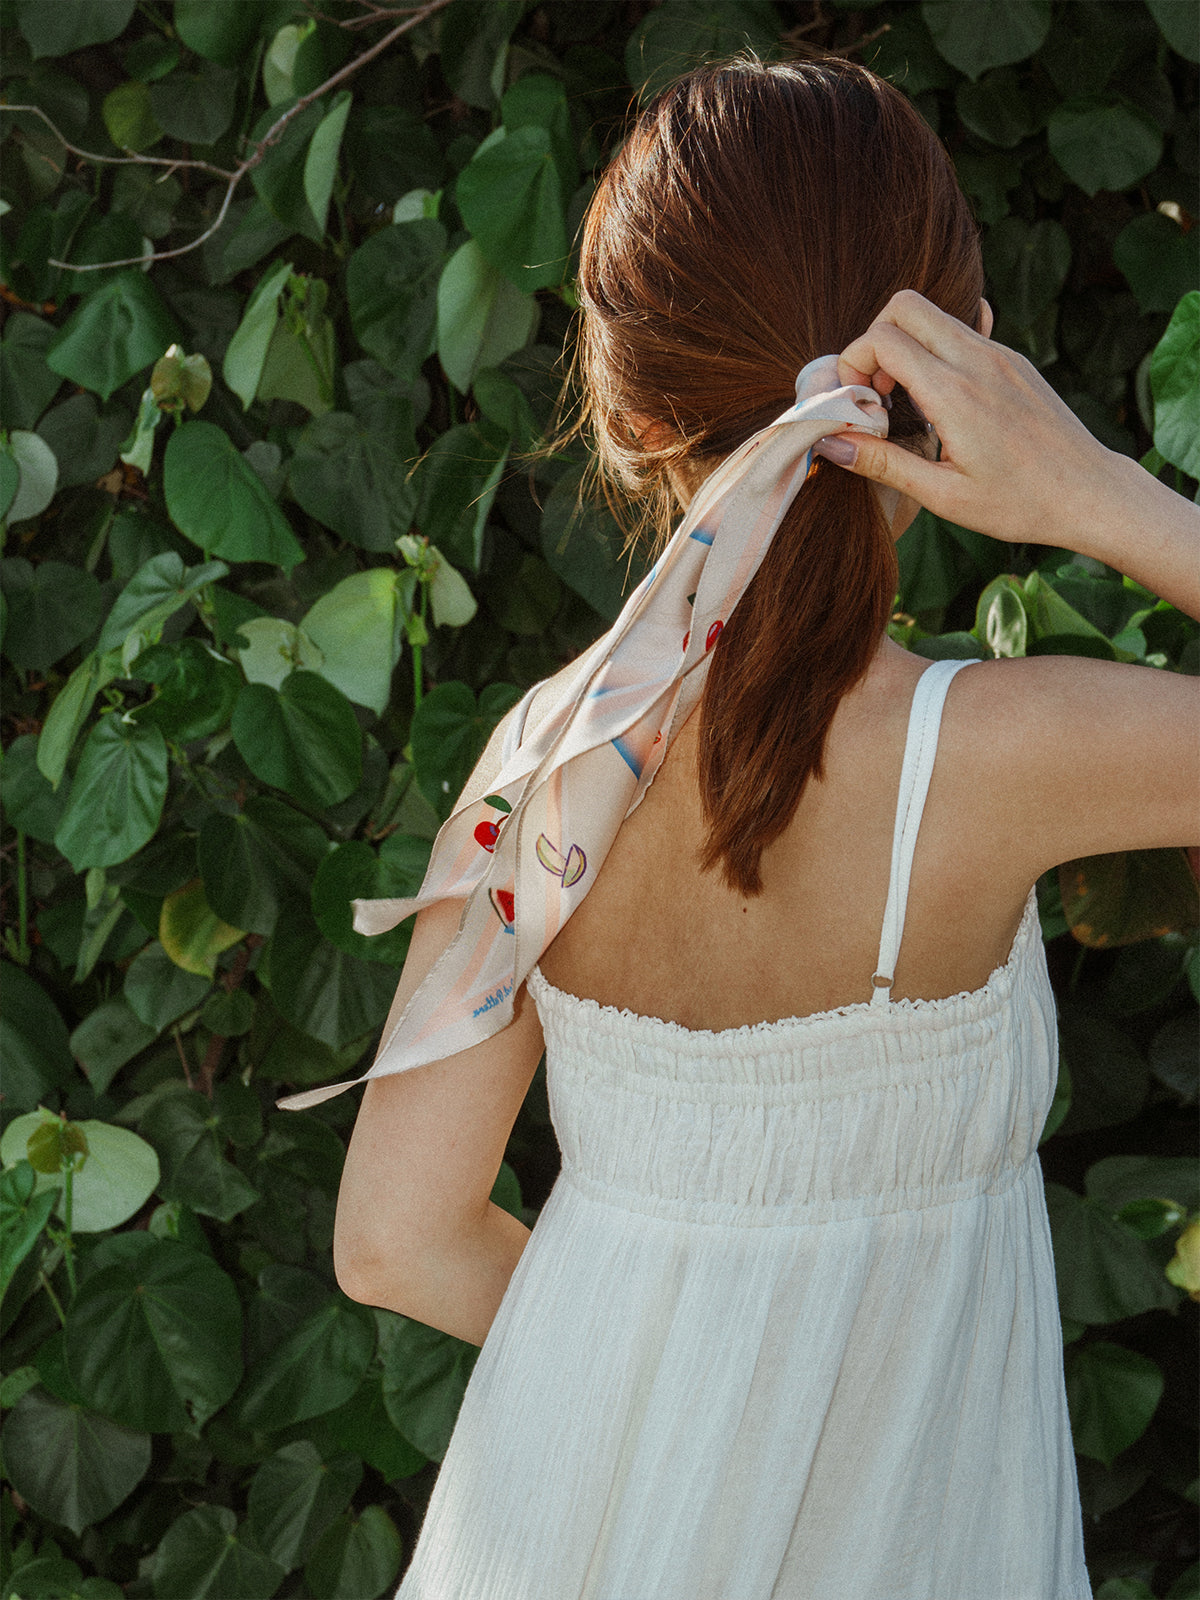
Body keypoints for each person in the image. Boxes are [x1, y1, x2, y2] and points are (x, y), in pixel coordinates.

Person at [323, 56, 1198, 1600]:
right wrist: (1105, 495)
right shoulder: (996, 756)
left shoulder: (543, 767)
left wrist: (682, 1386)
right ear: (966, 360)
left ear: (625, 410)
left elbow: (395, 1240)